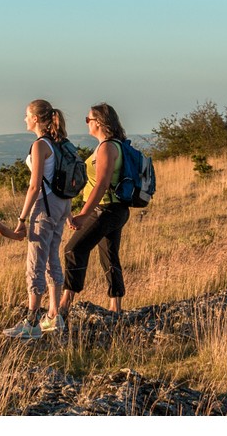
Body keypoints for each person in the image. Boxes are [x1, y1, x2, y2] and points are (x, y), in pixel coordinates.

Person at [3, 100, 72, 339]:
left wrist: (22, 218)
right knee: (52, 257)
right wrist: (69, 212)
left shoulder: (40, 145)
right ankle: (54, 315)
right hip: (62, 205)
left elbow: (35, 185)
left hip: (45, 206)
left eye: (26, 115)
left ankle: (32, 320)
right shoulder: (59, 143)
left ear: (35, 118)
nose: (24, 119)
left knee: (36, 262)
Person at [60, 103, 130, 317]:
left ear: (99, 122)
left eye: (88, 119)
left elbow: (101, 184)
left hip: (106, 208)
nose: (86, 123)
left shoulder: (108, 147)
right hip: (112, 209)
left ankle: (63, 306)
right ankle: (115, 307)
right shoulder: (109, 145)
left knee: (73, 249)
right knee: (109, 255)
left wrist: (82, 215)